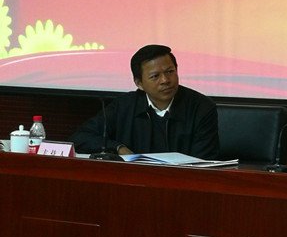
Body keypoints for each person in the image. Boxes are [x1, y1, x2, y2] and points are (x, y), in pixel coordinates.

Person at [71, 44, 219, 159]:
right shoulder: (124, 106)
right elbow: (80, 138)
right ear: (139, 83)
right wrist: (118, 148)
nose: (165, 80)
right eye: (155, 76)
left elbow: (203, 163)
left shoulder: (202, 108)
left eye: (170, 71)